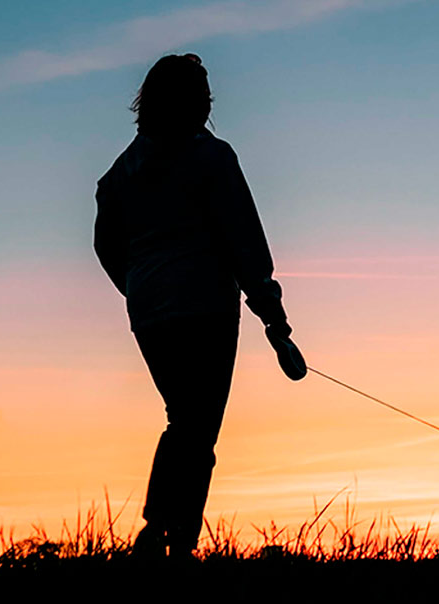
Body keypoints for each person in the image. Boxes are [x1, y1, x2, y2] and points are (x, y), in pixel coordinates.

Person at [94, 54, 305, 559]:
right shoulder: (211, 158)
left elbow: (105, 242)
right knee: (197, 424)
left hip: (149, 312)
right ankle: (171, 538)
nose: (210, 101)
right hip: (205, 306)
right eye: (202, 92)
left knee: (184, 419)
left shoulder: (122, 172)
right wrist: (273, 317)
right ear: (190, 101)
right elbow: (244, 240)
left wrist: (136, 287)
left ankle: (162, 532)